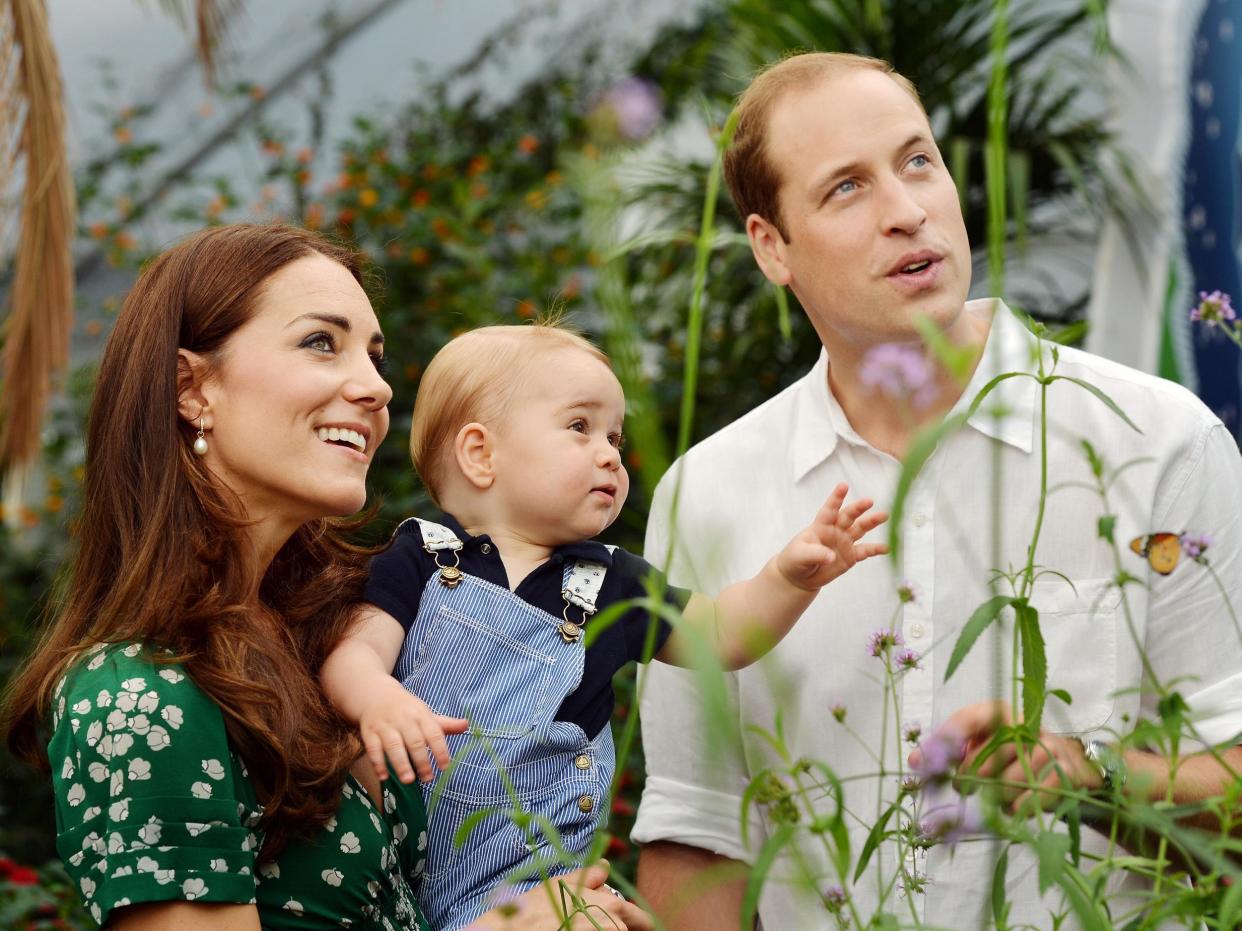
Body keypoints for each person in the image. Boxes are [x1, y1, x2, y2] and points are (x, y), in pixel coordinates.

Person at [630, 52, 1242, 928]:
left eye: (918, 161)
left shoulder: (1158, 439)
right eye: (847, 188)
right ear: (772, 247)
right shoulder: (710, 490)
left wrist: (1099, 779)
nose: (908, 211)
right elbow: (699, 835)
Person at [2, 224, 652, 931]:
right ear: (193, 389)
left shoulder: (339, 640)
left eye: (376, 357)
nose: (376, 387)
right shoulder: (140, 691)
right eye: (321, 342)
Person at [317, 322, 889, 930]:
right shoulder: (423, 557)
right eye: (579, 427)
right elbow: (354, 654)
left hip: (541, 879)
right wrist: (378, 697)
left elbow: (723, 633)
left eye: (614, 436)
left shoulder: (612, 581)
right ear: (481, 454)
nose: (610, 453)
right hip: (404, 864)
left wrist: (788, 580)